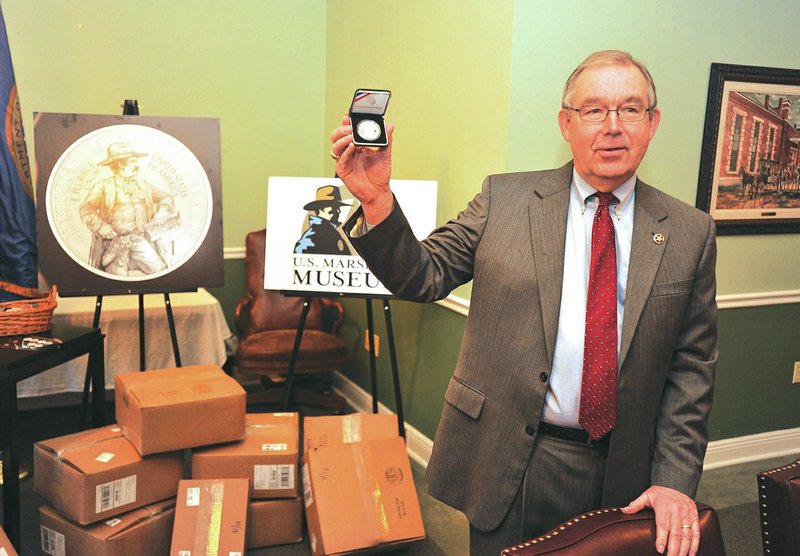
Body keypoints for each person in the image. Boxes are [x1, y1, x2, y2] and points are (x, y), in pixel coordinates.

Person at [329, 50, 717, 556]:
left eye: (631, 109)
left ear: (653, 122)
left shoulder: (690, 232)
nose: (613, 126)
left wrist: (675, 478)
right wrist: (377, 200)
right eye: (594, 110)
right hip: (512, 460)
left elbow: (692, 368)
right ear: (566, 122)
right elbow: (422, 277)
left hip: (625, 470)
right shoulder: (503, 200)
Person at [80, 142, 177, 276]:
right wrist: (100, 226)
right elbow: (86, 209)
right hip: (113, 245)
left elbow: (165, 197)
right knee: (115, 281)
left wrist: (163, 210)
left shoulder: (143, 185)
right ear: (120, 164)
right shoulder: (103, 186)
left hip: (139, 240)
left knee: (160, 272)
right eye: (133, 161)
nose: (137, 165)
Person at [294, 184, 353, 255]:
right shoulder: (311, 238)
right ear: (321, 209)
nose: (338, 211)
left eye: (338, 207)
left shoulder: (333, 233)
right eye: (334, 207)